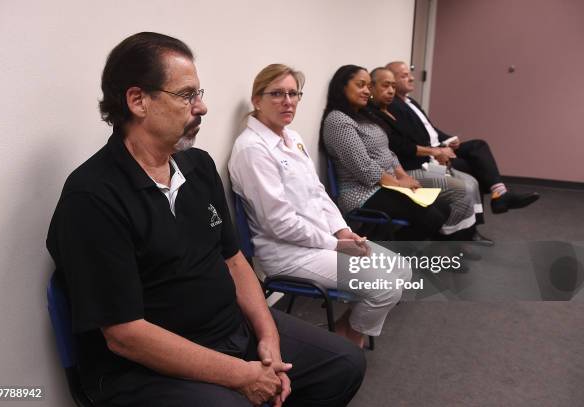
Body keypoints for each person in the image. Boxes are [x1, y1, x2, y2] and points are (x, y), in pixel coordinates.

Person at [46, 33, 365, 407]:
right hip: (142, 370)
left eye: (199, 93)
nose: (202, 107)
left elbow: (234, 261)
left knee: (344, 364)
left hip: (229, 331)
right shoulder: (93, 196)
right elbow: (125, 335)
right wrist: (242, 374)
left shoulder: (197, 167)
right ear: (138, 101)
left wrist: (268, 338)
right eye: (187, 95)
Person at [228, 64, 412, 349]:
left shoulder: (292, 138)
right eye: (276, 94)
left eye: (293, 93)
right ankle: (348, 339)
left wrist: (342, 231)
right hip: (289, 252)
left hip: (320, 240)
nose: (287, 101)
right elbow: (279, 224)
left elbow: (318, 193)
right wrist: (335, 245)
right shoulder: (253, 150)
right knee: (385, 285)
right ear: (257, 100)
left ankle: (343, 331)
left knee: (401, 269)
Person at [320, 65, 477, 243]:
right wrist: (399, 184)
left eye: (368, 86)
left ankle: (399, 252)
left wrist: (403, 176)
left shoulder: (364, 115)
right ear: (342, 87)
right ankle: (391, 254)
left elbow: (389, 153)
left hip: (385, 185)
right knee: (431, 216)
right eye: (360, 85)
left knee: (443, 207)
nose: (366, 91)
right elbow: (364, 167)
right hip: (362, 193)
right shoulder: (338, 120)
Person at [385, 61, 540, 214]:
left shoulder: (411, 102)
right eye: (405, 76)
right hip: (430, 156)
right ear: (392, 81)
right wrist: (438, 151)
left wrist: (449, 139)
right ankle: (497, 197)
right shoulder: (394, 106)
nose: (411, 78)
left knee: (478, 146)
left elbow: (430, 129)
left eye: (410, 74)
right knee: (474, 167)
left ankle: (498, 195)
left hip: (440, 146)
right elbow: (408, 142)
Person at [367, 67, 492, 245]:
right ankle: (448, 242)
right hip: (409, 169)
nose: (391, 91)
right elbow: (399, 148)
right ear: (373, 87)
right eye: (386, 86)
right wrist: (434, 152)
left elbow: (421, 137)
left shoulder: (395, 108)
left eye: (393, 86)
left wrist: (438, 150)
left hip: (421, 165)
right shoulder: (376, 114)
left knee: (471, 183)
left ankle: (464, 236)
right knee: (462, 189)